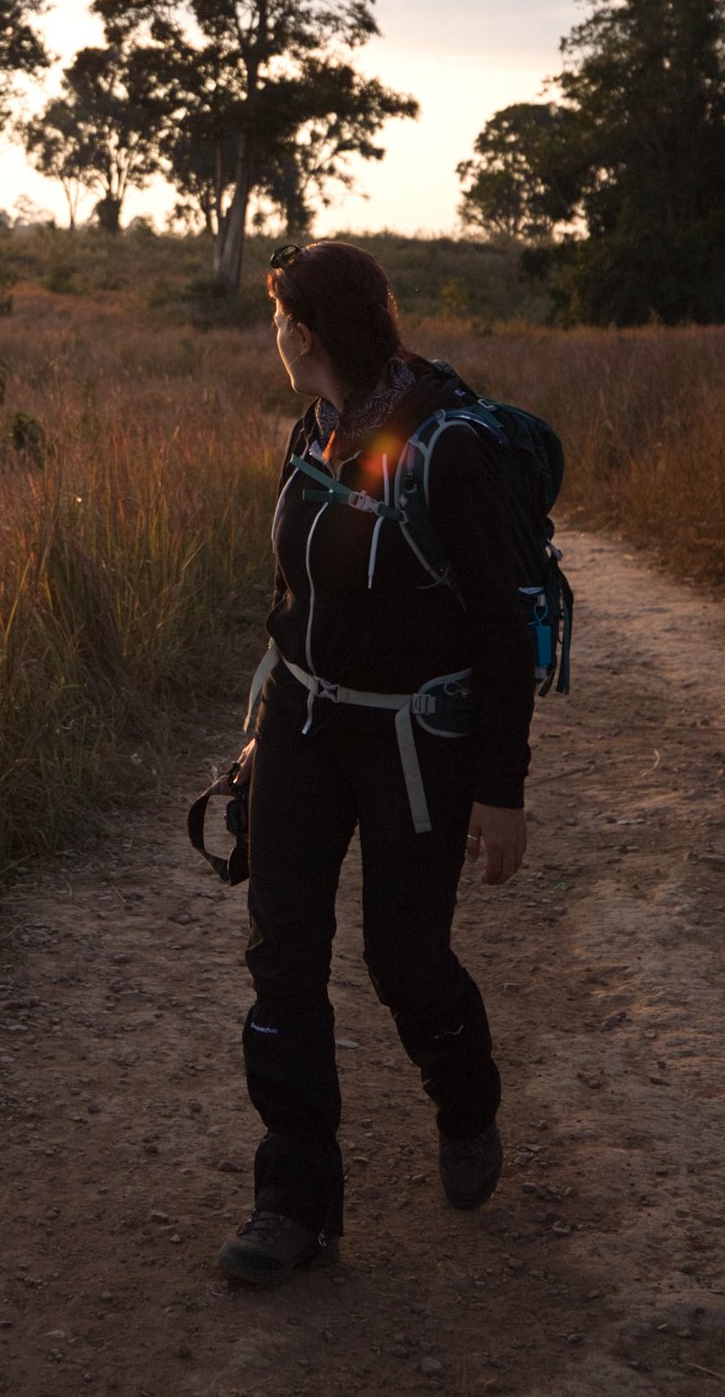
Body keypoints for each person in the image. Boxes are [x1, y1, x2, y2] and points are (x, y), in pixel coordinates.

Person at [217, 241, 535, 1289]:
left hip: (415, 743)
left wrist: (501, 792)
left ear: (301, 336)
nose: (274, 338)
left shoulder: (445, 446)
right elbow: (294, 600)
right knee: (283, 959)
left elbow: (498, 628)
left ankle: (466, 1093)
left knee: (404, 961)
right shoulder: (313, 433)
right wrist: (263, 729)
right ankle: (292, 1202)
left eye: (277, 321)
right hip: (305, 729)